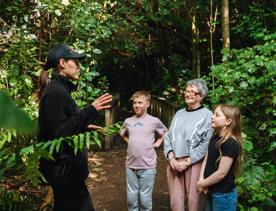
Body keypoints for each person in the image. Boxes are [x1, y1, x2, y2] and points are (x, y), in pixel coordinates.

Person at [37, 44, 112, 211]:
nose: (79, 66)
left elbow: (63, 125)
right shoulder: (55, 92)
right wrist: (90, 110)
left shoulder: (60, 89)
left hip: (67, 174)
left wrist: (84, 127)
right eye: (76, 61)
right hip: (65, 173)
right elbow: (58, 134)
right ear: (62, 63)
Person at [163, 79, 213, 211]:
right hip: (174, 162)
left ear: (201, 96)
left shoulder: (208, 115)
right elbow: (168, 136)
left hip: (194, 163)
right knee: (175, 201)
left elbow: (206, 143)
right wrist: (171, 157)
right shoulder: (179, 113)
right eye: (187, 91)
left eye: (193, 92)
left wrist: (187, 162)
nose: (188, 94)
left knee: (194, 201)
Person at [120, 90, 167, 211]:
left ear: (148, 104)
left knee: (145, 199)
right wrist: (129, 141)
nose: (136, 105)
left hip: (148, 166)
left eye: (140, 102)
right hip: (130, 165)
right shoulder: (128, 121)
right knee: (131, 198)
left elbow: (166, 131)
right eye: (135, 102)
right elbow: (122, 133)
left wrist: (158, 142)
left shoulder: (154, 121)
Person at [196, 104, 243, 211]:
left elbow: (221, 173)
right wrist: (202, 180)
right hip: (210, 190)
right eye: (213, 114)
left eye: (217, 115)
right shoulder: (214, 137)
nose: (212, 116)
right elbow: (207, 159)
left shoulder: (231, 143)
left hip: (223, 195)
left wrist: (202, 183)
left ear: (228, 121)